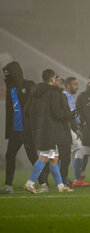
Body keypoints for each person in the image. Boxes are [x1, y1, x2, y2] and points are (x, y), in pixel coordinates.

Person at [0, 61, 48, 194]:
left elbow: (38, 104)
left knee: (33, 157)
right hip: (16, 130)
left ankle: (44, 184)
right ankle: (8, 185)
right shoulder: (10, 88)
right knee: (9, 155)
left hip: (27, 130)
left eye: (8, 73)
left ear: (15, 72)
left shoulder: (29, 85)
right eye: (5, 73)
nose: (6, 76)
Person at [23, 69, 74, 193]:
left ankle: (60, 186)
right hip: (50, 130)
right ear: (52, 79)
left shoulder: (34, 93)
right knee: (44, 157)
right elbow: (57, 113)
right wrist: (70, 114)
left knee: (54, 159)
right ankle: (29, 183)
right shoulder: (53, 93)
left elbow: (27, 111)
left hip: (39, 129)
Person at [61, 77, 90, 187]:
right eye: (75, 84)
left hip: (66, 128)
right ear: (68, 86)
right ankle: (76, 179)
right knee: (79, 149)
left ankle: (64, 179)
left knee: (58, 155)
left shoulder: (65, 96)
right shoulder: (67, 97)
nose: (77, 87)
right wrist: (80, 124)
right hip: (68, 129)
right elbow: (72, 116)